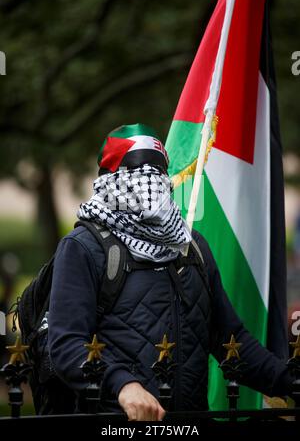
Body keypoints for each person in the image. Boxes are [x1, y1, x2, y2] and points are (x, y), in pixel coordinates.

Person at [48, 123, 294, 421]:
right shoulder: (83, 248)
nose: (150, 187)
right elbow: (66, 345)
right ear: (110, 182)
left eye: (157, 176)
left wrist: (287, 380)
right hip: (118, 424)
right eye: (138, 176)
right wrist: (123, 385)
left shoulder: (192, 248)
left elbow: (231, 340)